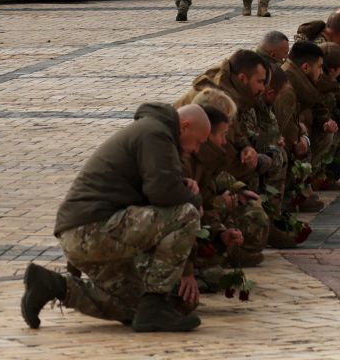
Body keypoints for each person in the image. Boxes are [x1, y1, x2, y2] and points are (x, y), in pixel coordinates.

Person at [26, 102, 218, 333]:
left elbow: (155, 187)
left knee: (135, 306)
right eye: (198, 141)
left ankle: (53, 286)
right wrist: (194, 200)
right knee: (186, 214)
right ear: (185, 126)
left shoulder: (154, 131)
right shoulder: (156, 133)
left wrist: (180, 185)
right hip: (92, 228)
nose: (197, 149)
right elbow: (161, 192)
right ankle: (155, 303)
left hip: (81, 233)